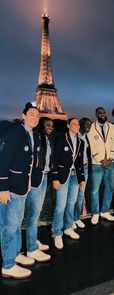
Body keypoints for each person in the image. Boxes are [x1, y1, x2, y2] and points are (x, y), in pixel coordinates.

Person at [0, 102, 40, 279]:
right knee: (10, 226)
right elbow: (3, 159)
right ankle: (8, 265)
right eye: (31, 114)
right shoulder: (17, 132)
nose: (35, 118)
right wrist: (3, 188)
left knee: (15, 224)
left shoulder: (29, 134)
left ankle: (15, 254)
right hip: (13, 188)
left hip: (22, 187)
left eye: (37, 115)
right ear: (23, 116)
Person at [52, 118, 85, 250]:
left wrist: (82, 178)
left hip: (75, 176)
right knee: (61, 205)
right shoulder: (61, 138)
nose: (77, 126)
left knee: (71, 203)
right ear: (68, 125)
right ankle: (57, 232)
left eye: (78, 124)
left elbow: (80, 162)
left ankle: (68, 227)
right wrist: (55, 177)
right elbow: (54, 158)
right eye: (74, 124)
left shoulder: (81, 142)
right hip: (62, 176)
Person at [25, 118, 54, 262]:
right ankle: (31, 248)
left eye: (52, 125)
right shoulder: (36, 138)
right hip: (38, 177)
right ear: (41, 125)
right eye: (48, 125)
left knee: (36, 212)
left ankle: (33, 240)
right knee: (33, 213)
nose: (51, 127)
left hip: (45, 176)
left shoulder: (47, 139)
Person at [87, 107, 114, 225]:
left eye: (104, 112)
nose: (102, 114)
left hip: (110, 163)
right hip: (97, 164)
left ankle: (105, 211)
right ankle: (95, 212)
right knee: (95, 190)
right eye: (100, 113)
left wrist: (110, 159)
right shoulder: (91, 128)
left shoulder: (112, 127)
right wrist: (101, 160)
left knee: (109, 188)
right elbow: (91, 145)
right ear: (96, 114)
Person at [73, 118, 92, 229]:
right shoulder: (75, 136)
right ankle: (70, 220)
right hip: (75, 169)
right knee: (72, 197)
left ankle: (76, 218)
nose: (88, 126)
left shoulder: (86, 137)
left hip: (84, 168)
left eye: (90, 125)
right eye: (86, 124)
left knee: (80, 195)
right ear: (80, 125)